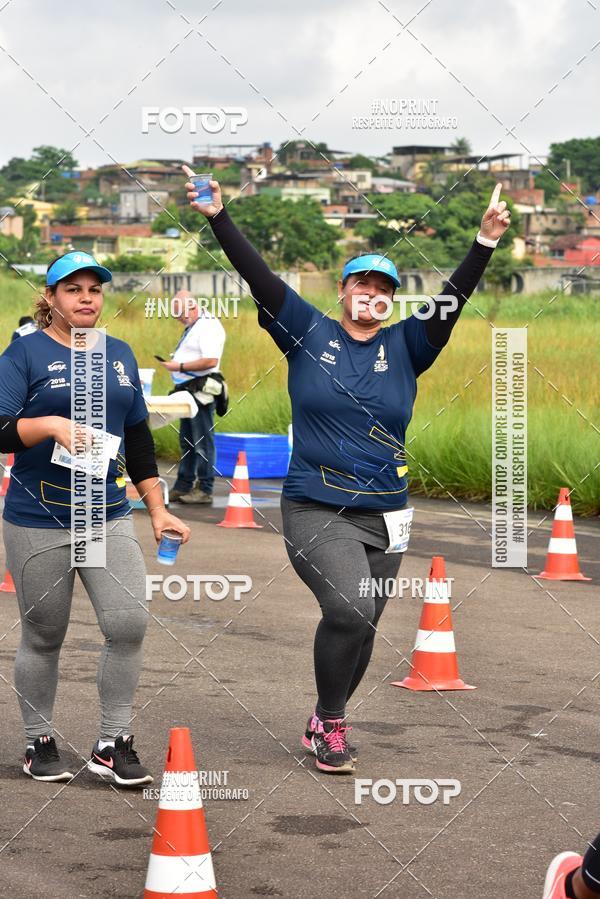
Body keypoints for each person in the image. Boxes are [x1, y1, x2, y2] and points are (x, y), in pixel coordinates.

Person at [184, 164, 510, 773]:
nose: (372, 292)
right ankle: (332, 723)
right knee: (350, 610)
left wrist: (484, 241)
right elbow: (261, 279)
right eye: (361, 282)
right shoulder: (307, 330)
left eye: (383, 286)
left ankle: (324, 717)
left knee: (363, 626)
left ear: (391, 299)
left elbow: (453, 300)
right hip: (315, 504)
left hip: (387, 511)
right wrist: (218, 217)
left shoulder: (409, 345)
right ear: (342, 290)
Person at [0, 251, 190, 785]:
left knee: (127, 622)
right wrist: (50, 424)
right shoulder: (24, 355)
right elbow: (0, 428)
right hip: (37, 517)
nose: (86, 298)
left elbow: (137, 439)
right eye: (72, 289)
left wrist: (158, 509)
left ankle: (112, 742)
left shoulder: (120, 354)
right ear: (51, 298)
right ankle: (38, 740)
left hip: (102, 514)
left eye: (94, 289)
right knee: (44, 632)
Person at [162, 290, 226, 505]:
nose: (178, 319)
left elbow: (210, 360)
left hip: (201, 390)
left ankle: (204, 487)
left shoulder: (208, 326)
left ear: (192, 306)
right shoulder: (195, 325)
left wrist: (178, 365)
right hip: (187, 389)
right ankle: (183, 485)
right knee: (187, 440)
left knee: (202, 441)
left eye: (180, 314)